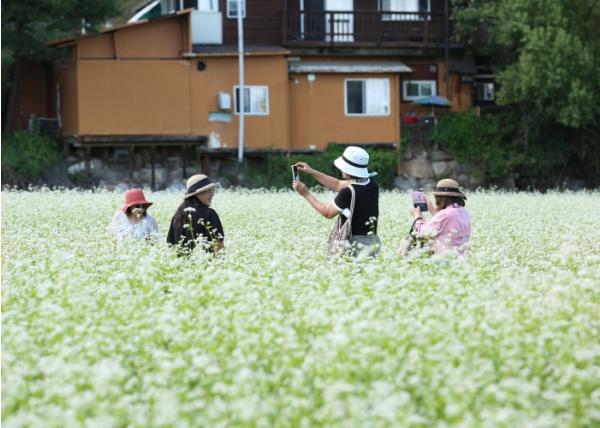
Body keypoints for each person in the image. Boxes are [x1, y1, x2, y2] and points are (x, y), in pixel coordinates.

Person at [292, 146, 380, 257]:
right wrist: (312, 172)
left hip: (354, 245)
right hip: (372, 242)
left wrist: (305, 193)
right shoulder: (371, 183)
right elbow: (337, 184)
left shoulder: (348, 192)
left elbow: (327, 212)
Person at [410, 178, 472, 255]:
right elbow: (446, 223)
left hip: (445, 257)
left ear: (440, 198)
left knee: (407, 242)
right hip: (461, 256)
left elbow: (423, 233)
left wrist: (417, 216)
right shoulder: (464, 211)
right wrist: (432, 210)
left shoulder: (445, 214)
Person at [167, 174, 224, 254]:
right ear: (199, 193)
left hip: (181, 262)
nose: (212, 194)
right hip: (206, 261)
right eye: (210, 191)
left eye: (212, 191)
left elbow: (171, 244)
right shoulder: (210, 214)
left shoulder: (177, 216)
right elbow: (218, 245)